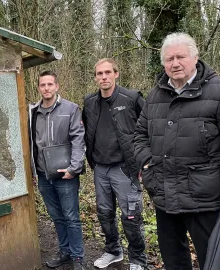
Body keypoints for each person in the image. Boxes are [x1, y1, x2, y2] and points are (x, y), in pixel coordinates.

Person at [133, 33, 220, 270]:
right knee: (174, 259)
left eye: (181, 57)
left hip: (204, 197)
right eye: (169, 59)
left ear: (195, 57)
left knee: (216, 261)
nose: (175, 63)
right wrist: (147, 165)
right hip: (164, 194)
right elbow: (139, 135)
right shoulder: (155, 95)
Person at [82, 58, 147, 270]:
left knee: (131, 216)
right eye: (99, 74)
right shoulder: (90, 102)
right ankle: (113, 251)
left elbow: (148, 129)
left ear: (116, 74)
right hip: (100, 168)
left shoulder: (132, 98)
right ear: (95, 77)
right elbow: (87, 133)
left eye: (108, 72)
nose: (104, 77)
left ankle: (138, 260)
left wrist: (143, 161)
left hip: (124, 169)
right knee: (104, 213)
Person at [29, 71, 86, 270]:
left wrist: (74, 168)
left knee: (71, 216)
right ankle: (65, 252)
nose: (46, 88)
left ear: (57, 86)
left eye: (50, 84)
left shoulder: (70, 109)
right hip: (44, 175)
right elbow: (30, 143)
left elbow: (78, 140)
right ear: (38, 87)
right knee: (57, 216)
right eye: (43, 85)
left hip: (65, 174)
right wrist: (34, 172)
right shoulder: (32, 112)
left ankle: (78, 257)